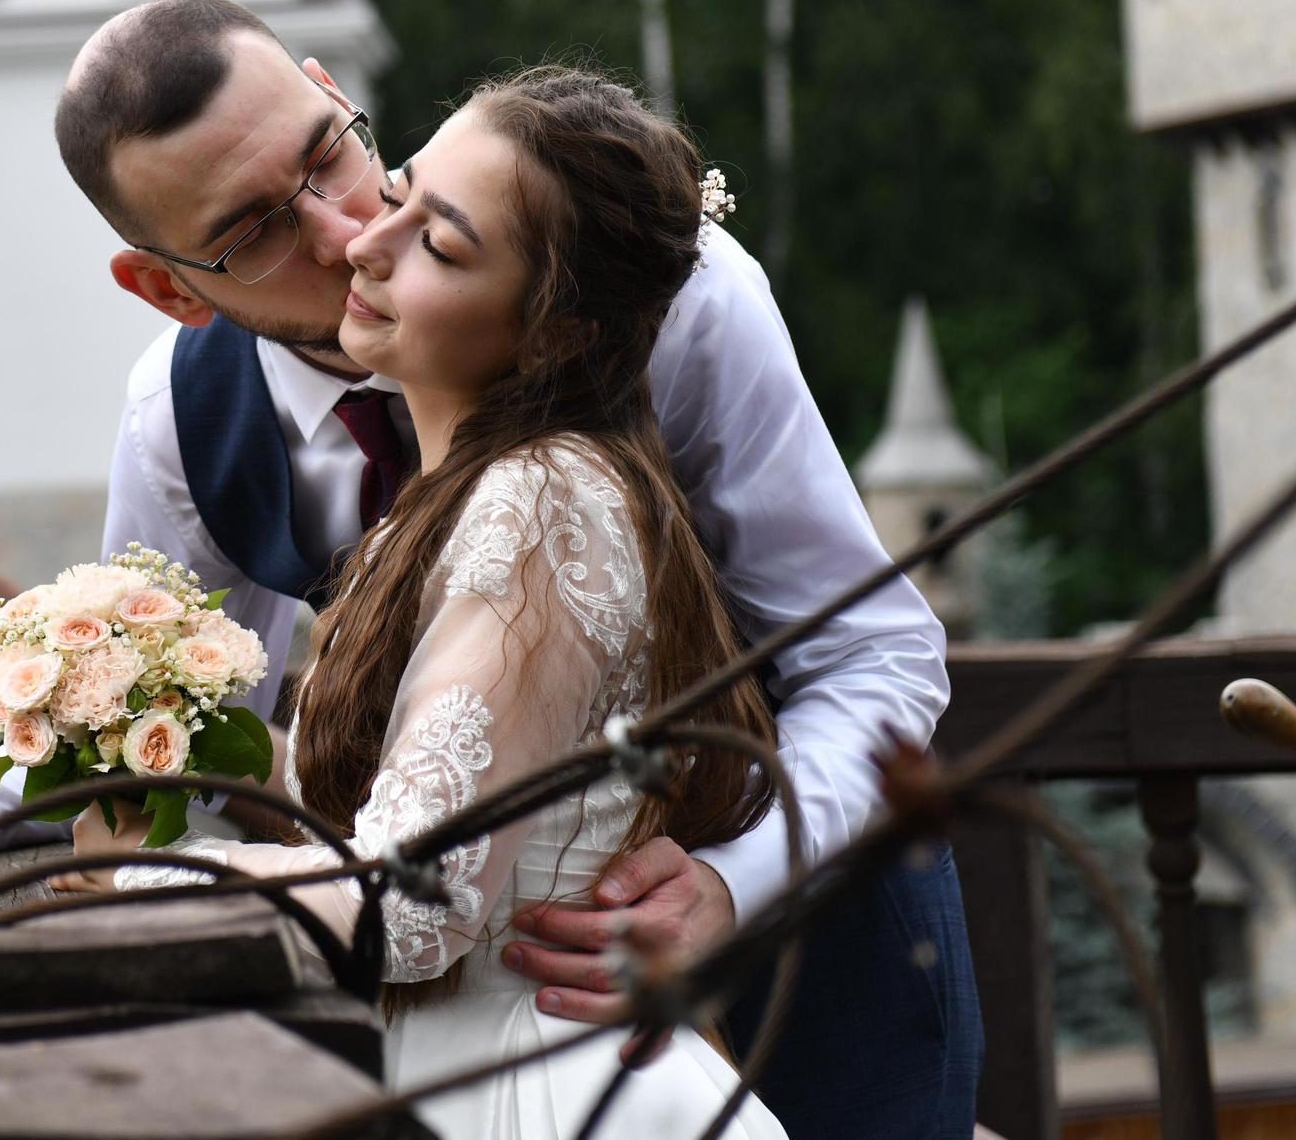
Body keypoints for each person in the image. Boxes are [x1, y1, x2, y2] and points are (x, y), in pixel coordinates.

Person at [0, 0, 978, 1138]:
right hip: (476, 1054)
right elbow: (157, 728)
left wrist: (728, 883)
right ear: (167, 286)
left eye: (334, 155)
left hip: (809, 958)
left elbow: (875, 648)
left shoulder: (664, 295)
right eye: (255, 226)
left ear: (334, 91)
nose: (349, 223)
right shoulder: (182, 421)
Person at [54, 64, 784, 1137]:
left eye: (438, 245)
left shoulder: (536, 507)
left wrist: (141, 885)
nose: (360, 242)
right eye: (397, 192)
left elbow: (414, 909)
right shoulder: (445, 506)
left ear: (562, 331)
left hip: (543, 1089)